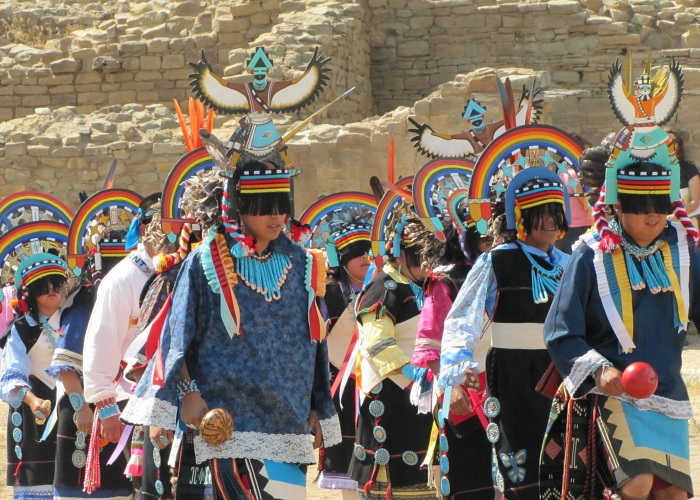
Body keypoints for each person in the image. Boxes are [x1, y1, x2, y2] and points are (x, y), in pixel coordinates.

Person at [121, 159, 340, 499]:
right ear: (238, 207)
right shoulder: (206, 260)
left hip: (288, 421)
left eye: (281, 206)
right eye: (264, 208)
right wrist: (188, 392)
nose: (276, 217)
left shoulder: (304, 263)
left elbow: (312, 343)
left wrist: (317, 405)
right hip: (224, 420)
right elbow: (177, 335)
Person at [543, 155, 699, 496]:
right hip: (614, 389)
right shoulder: (592, 252)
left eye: (660, 204)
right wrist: (599, 371)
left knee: (673, 492)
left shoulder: (684, 249)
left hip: (668, 389)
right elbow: (560, 330)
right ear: (618, 207)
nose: (654, 215)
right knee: (637, 483)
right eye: (642, 207)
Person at [439, 167, 571, 499]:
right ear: (520, 218)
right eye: (542, 215)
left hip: (563, 373)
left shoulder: (570, 263)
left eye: (557, 212)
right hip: (514, 374)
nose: (552, 222)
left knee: (567, 465)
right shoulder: (496, 261)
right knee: (521, 468)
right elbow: (462, 317)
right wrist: (458, 365)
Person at [348, 214, 436, 499]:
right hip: (393, 393)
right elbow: (378, 344)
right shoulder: (383, 288)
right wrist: (415, 374)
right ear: (398, 252)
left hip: (422, 395)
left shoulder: (424, 285)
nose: (425, 263)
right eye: (417, 255)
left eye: (429, 255)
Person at [410, 220, 494, 499]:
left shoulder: (501, 271)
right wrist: (451, 386)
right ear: (464, 240)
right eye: (484, 239)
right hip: (461, 394)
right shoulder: (445, 281)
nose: (491, 245)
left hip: (497, 386)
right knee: (470, 478)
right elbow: (430, 344)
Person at [81, 193, 159, 493]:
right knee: (148, 485)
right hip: (131, 398)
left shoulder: (176, 271)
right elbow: (102, 341)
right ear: (145, 230)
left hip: (174, 396)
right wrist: (106, 405)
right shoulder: (123, 279)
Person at [47, 266, 134, 499]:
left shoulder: (126, 295)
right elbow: (66, 368)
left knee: (119, 488)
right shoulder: (85, 303)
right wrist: (82, 408)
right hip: (85, 413)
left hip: (118, 409)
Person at [0, 253, 70, 500]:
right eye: (43, 286)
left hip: (71, 404)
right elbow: (11, 374)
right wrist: (33, 402)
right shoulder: (21, 328)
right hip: (33, 411)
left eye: (56, 283)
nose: (51, 289)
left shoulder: (76, 320)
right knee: (37, 479)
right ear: (31, 292)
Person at [316, 220, 373, 497]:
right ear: (342, 258)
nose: (365, 257)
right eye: (357, 251)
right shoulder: (327, 293)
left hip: (376, 384)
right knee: (345, 460)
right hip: (340, 389)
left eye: (368, 250)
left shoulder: (384, 287)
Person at [665, 128, 700, 218]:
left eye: (673, 141)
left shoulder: (689, 169)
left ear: (678, 145)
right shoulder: (652, 170)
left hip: (684, 221)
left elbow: (695, 202)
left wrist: (675, 216)